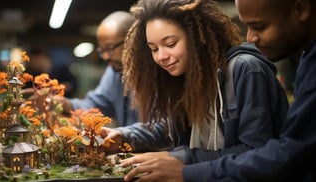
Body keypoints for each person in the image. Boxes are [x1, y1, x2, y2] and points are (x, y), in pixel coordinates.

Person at [121, 0, 316, 181]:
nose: (161, 56)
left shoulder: (246, 69)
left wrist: (183, 161)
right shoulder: (187, 76)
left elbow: (261, 151)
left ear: (197, 37)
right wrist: (124, 136)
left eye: (171, 44)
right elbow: (171, 127)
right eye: (153, 49)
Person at [57, 11, 139, 127]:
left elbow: (160, 129)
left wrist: (123, 135)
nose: (105, 56)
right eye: (102, 51)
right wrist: (65, 103)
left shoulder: (157, 72)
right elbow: (97, 104)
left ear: (132, 40)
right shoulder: (114, 71)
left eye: (110, 48)